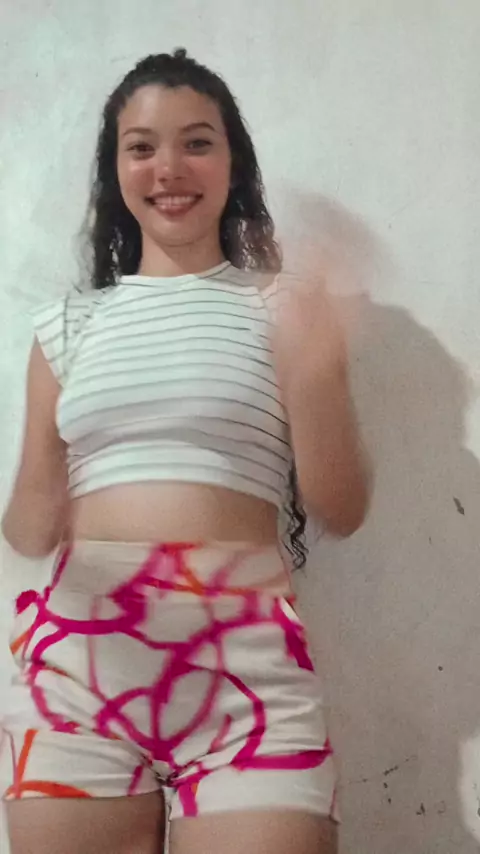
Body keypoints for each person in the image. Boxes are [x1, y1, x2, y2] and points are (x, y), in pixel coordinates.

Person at [0, 49, 370, 854]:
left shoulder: (283, 307)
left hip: (248, 666)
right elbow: (28, 531)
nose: (169, 167)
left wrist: (314, 367)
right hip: (81, 668)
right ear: (116, 171)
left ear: (234, 163)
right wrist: (45, 499)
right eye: (141, 147)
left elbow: (342, 507)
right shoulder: (66, 325)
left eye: (197, 142)